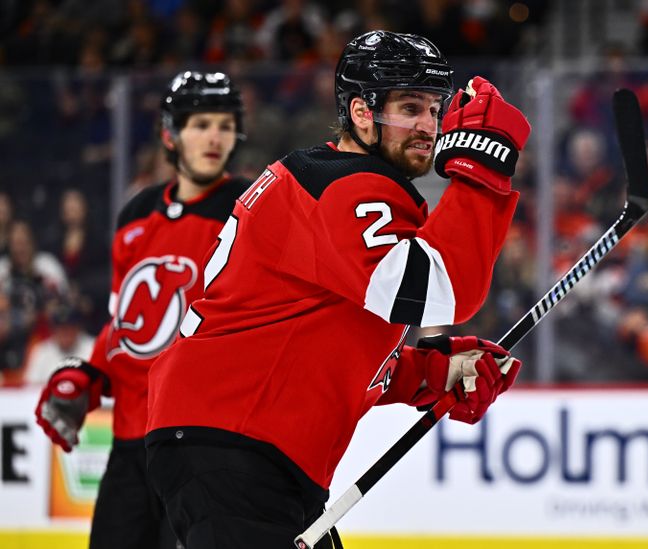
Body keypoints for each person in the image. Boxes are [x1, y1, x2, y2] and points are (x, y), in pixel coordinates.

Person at [145, 30, 530, 549]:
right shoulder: (345, 187)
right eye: (410, 107)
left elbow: (324, 344)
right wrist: (483, 168)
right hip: (235, 446)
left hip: (239, 445)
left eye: (435, 110)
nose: (429, 126)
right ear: (362, 112)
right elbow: (439, 290)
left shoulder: (339, 188)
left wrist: (433, 371)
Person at [34, 70, 252, 549]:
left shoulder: (248, 211)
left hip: (202, 444)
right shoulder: (136, 213)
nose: (214, 136)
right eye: (200, 124)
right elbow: (126, 327)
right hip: (130, 439)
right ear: (169, 134)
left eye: (224, 123)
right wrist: (89, 374)